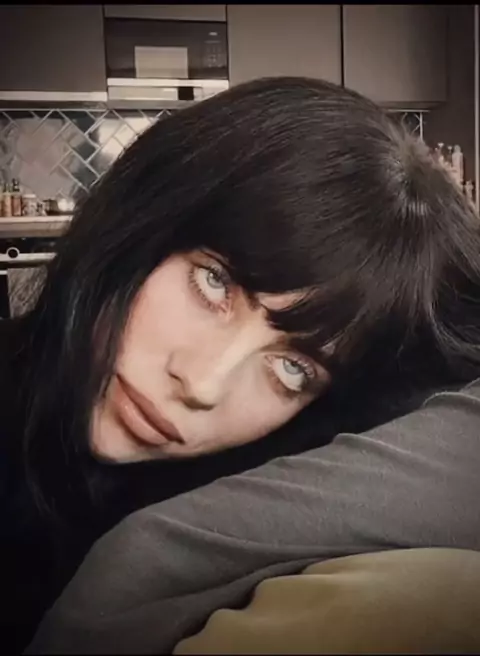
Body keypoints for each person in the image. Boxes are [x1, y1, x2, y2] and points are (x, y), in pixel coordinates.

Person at [2, 75, 480, 651]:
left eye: (293, 368)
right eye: (213, 283)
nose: (202, 384)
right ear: (143, 222)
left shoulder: (273, 497)